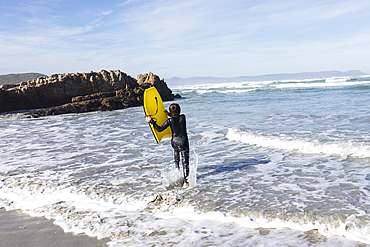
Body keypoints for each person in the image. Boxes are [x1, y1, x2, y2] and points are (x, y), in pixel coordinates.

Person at [146, 103, 190, 187]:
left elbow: (159, 129)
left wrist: (150, 121)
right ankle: (185, 182)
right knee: (185, 162)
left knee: (176, 151)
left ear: (171, 112)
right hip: (183, 141)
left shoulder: (170, 121)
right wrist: (170, 114)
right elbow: (177, 117)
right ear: (179, 110)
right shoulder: (183, 117)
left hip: (174, 141)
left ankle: (177, 168)